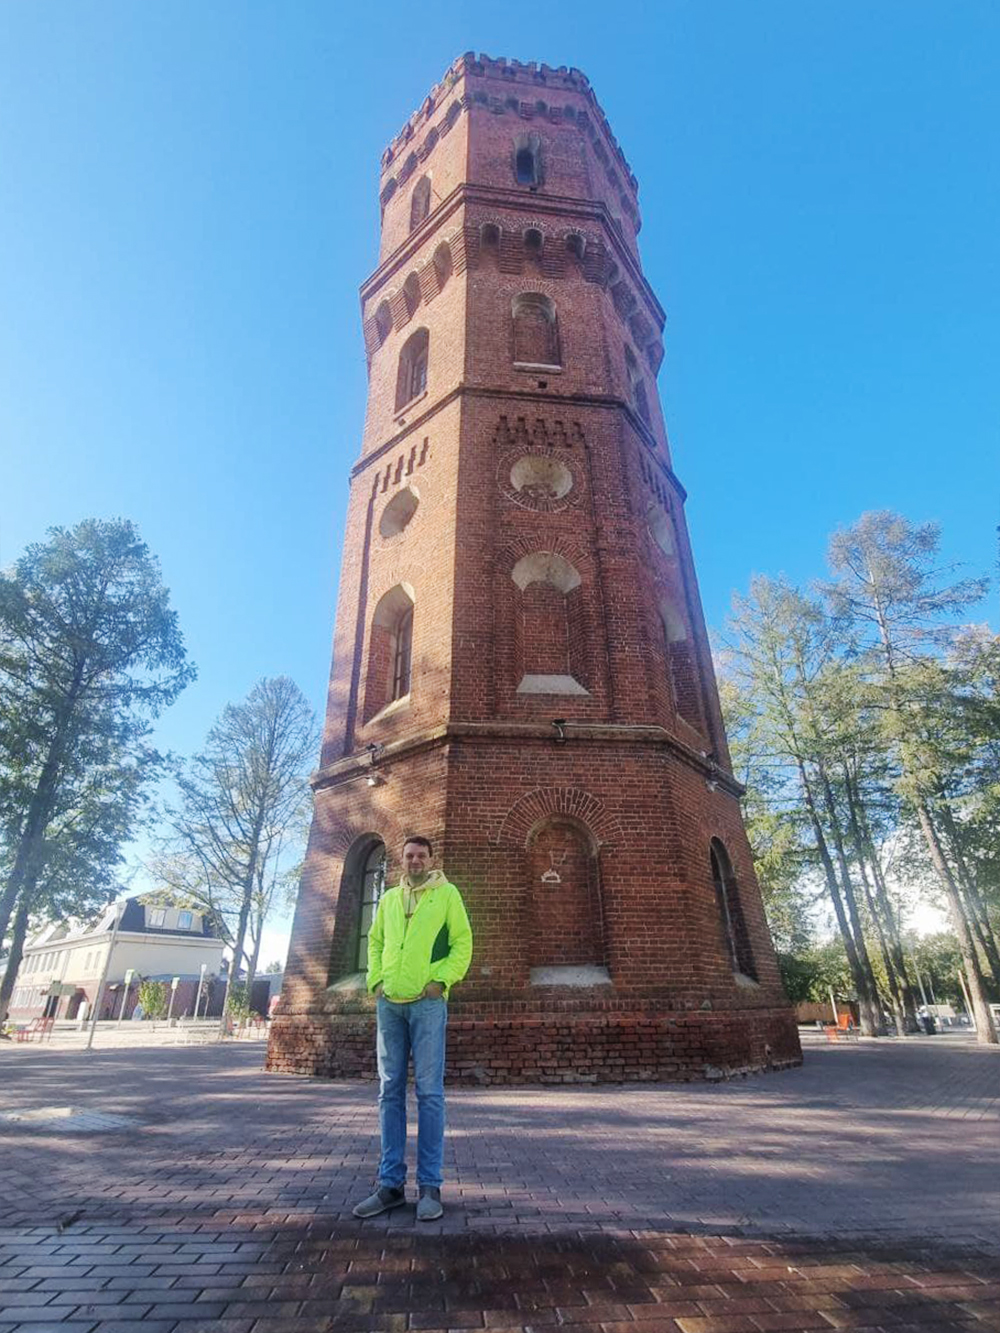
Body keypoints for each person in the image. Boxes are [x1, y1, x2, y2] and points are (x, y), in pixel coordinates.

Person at [352, 835, 473, 1222]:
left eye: (421, 855)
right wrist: (377, 982)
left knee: (430, 1093)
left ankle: (430, 1186)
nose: (415, 860)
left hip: (427, 1004)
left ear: (431, 859)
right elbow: (375, 942)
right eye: (409, 856)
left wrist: (442, 981)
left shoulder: (447, 895)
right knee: (389, 1092)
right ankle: (390, 1186)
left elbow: (462, 942)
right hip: (390, 1004)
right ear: (400, 860)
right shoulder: (388, 900)